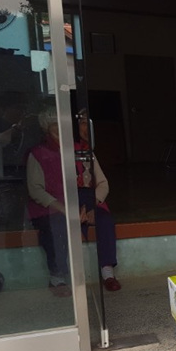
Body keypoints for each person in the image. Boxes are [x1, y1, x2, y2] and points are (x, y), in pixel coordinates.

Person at [26, 107, 121, 298]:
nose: (60, 129)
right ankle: (57, 277)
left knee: (104, 220)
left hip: (86, 200)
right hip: (55, 205)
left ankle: (107, 272)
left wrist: (93, 205)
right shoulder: (38, 153)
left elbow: (102, 183)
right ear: (46, 128)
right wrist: (66, 210)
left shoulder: (83, 151)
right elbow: (35, 190)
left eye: (63, 124)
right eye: (55, 125)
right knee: (56, 226)